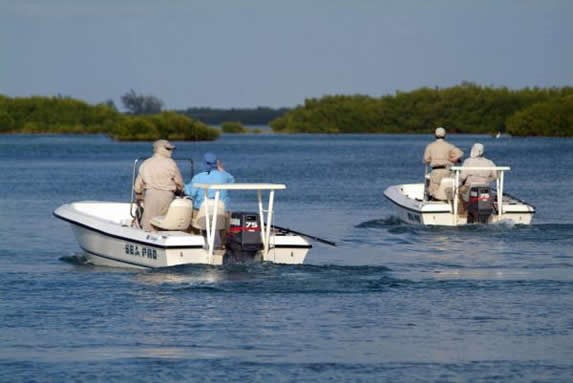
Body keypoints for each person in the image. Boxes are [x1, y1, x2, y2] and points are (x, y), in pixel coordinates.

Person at [185, 152, 235, 245]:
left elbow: (189, 192)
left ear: (203, 163)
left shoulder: (198, 177)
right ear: (217, 163)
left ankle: (196, 241)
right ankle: (222, 245)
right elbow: (232, 180)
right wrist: (221, 169)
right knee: (224, 217)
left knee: (190, 216)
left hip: (202, 212)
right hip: (222, 212)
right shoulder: (224, 176)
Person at [134, 139, 184, 231]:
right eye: (168, 149)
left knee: (148, 226)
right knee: (164, 224)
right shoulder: (171, 163)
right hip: (167, 196)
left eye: (171, 149)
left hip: (150, 196)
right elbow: (180, 183)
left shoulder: (145, 163)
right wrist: (179, 191)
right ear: (160, 149)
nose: (171, 151)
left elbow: (137, 187)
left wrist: (139, 196)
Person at [423, 127, 464, 200]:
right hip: (447, 171)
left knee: (434, 191)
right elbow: (460, 153)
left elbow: (426, 160)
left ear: (435, 135)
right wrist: (453, 159)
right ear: (444, 135)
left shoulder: (430, 146)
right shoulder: (449, 146)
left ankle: (434, 203)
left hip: (435, 171)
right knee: (448, 188)